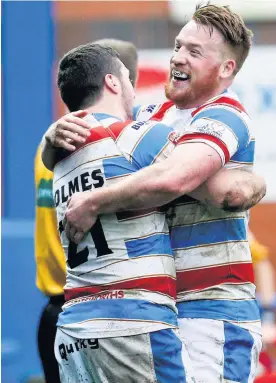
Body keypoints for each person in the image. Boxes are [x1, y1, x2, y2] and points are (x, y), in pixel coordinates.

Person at [45, 4, 265, 382]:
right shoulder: (149, 117)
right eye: (179, 46)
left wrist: (94, 201)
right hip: (158, 311)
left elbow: (175, 178)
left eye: (194, 52)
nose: (178, 57)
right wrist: (53, 141)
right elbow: (100, 151)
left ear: (226, 69)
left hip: (212, 312)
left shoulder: (225, 115)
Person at [48, 42, 207, 383]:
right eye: (128, 80)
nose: (133, 91)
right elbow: (215, 184)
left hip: (74, 331)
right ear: (113, 82)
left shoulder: (58, 159)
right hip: (133, 323)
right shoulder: (135, 137)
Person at [34, 38, 138, 383]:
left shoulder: (49, 146)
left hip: (62, 314)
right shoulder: (129, 146)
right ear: (119, 82)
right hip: (112, 309)